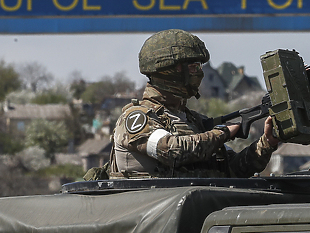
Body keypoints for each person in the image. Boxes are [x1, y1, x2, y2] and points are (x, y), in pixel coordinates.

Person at [107, 29, 279, 178]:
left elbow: (233, 169)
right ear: (168, 70)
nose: (200, 74)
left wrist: (267, 142)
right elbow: (172, 151)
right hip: (150, 213)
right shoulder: (137, 118)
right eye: (193, 67)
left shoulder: (193, 121)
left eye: (199, 67)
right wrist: (222, 133)